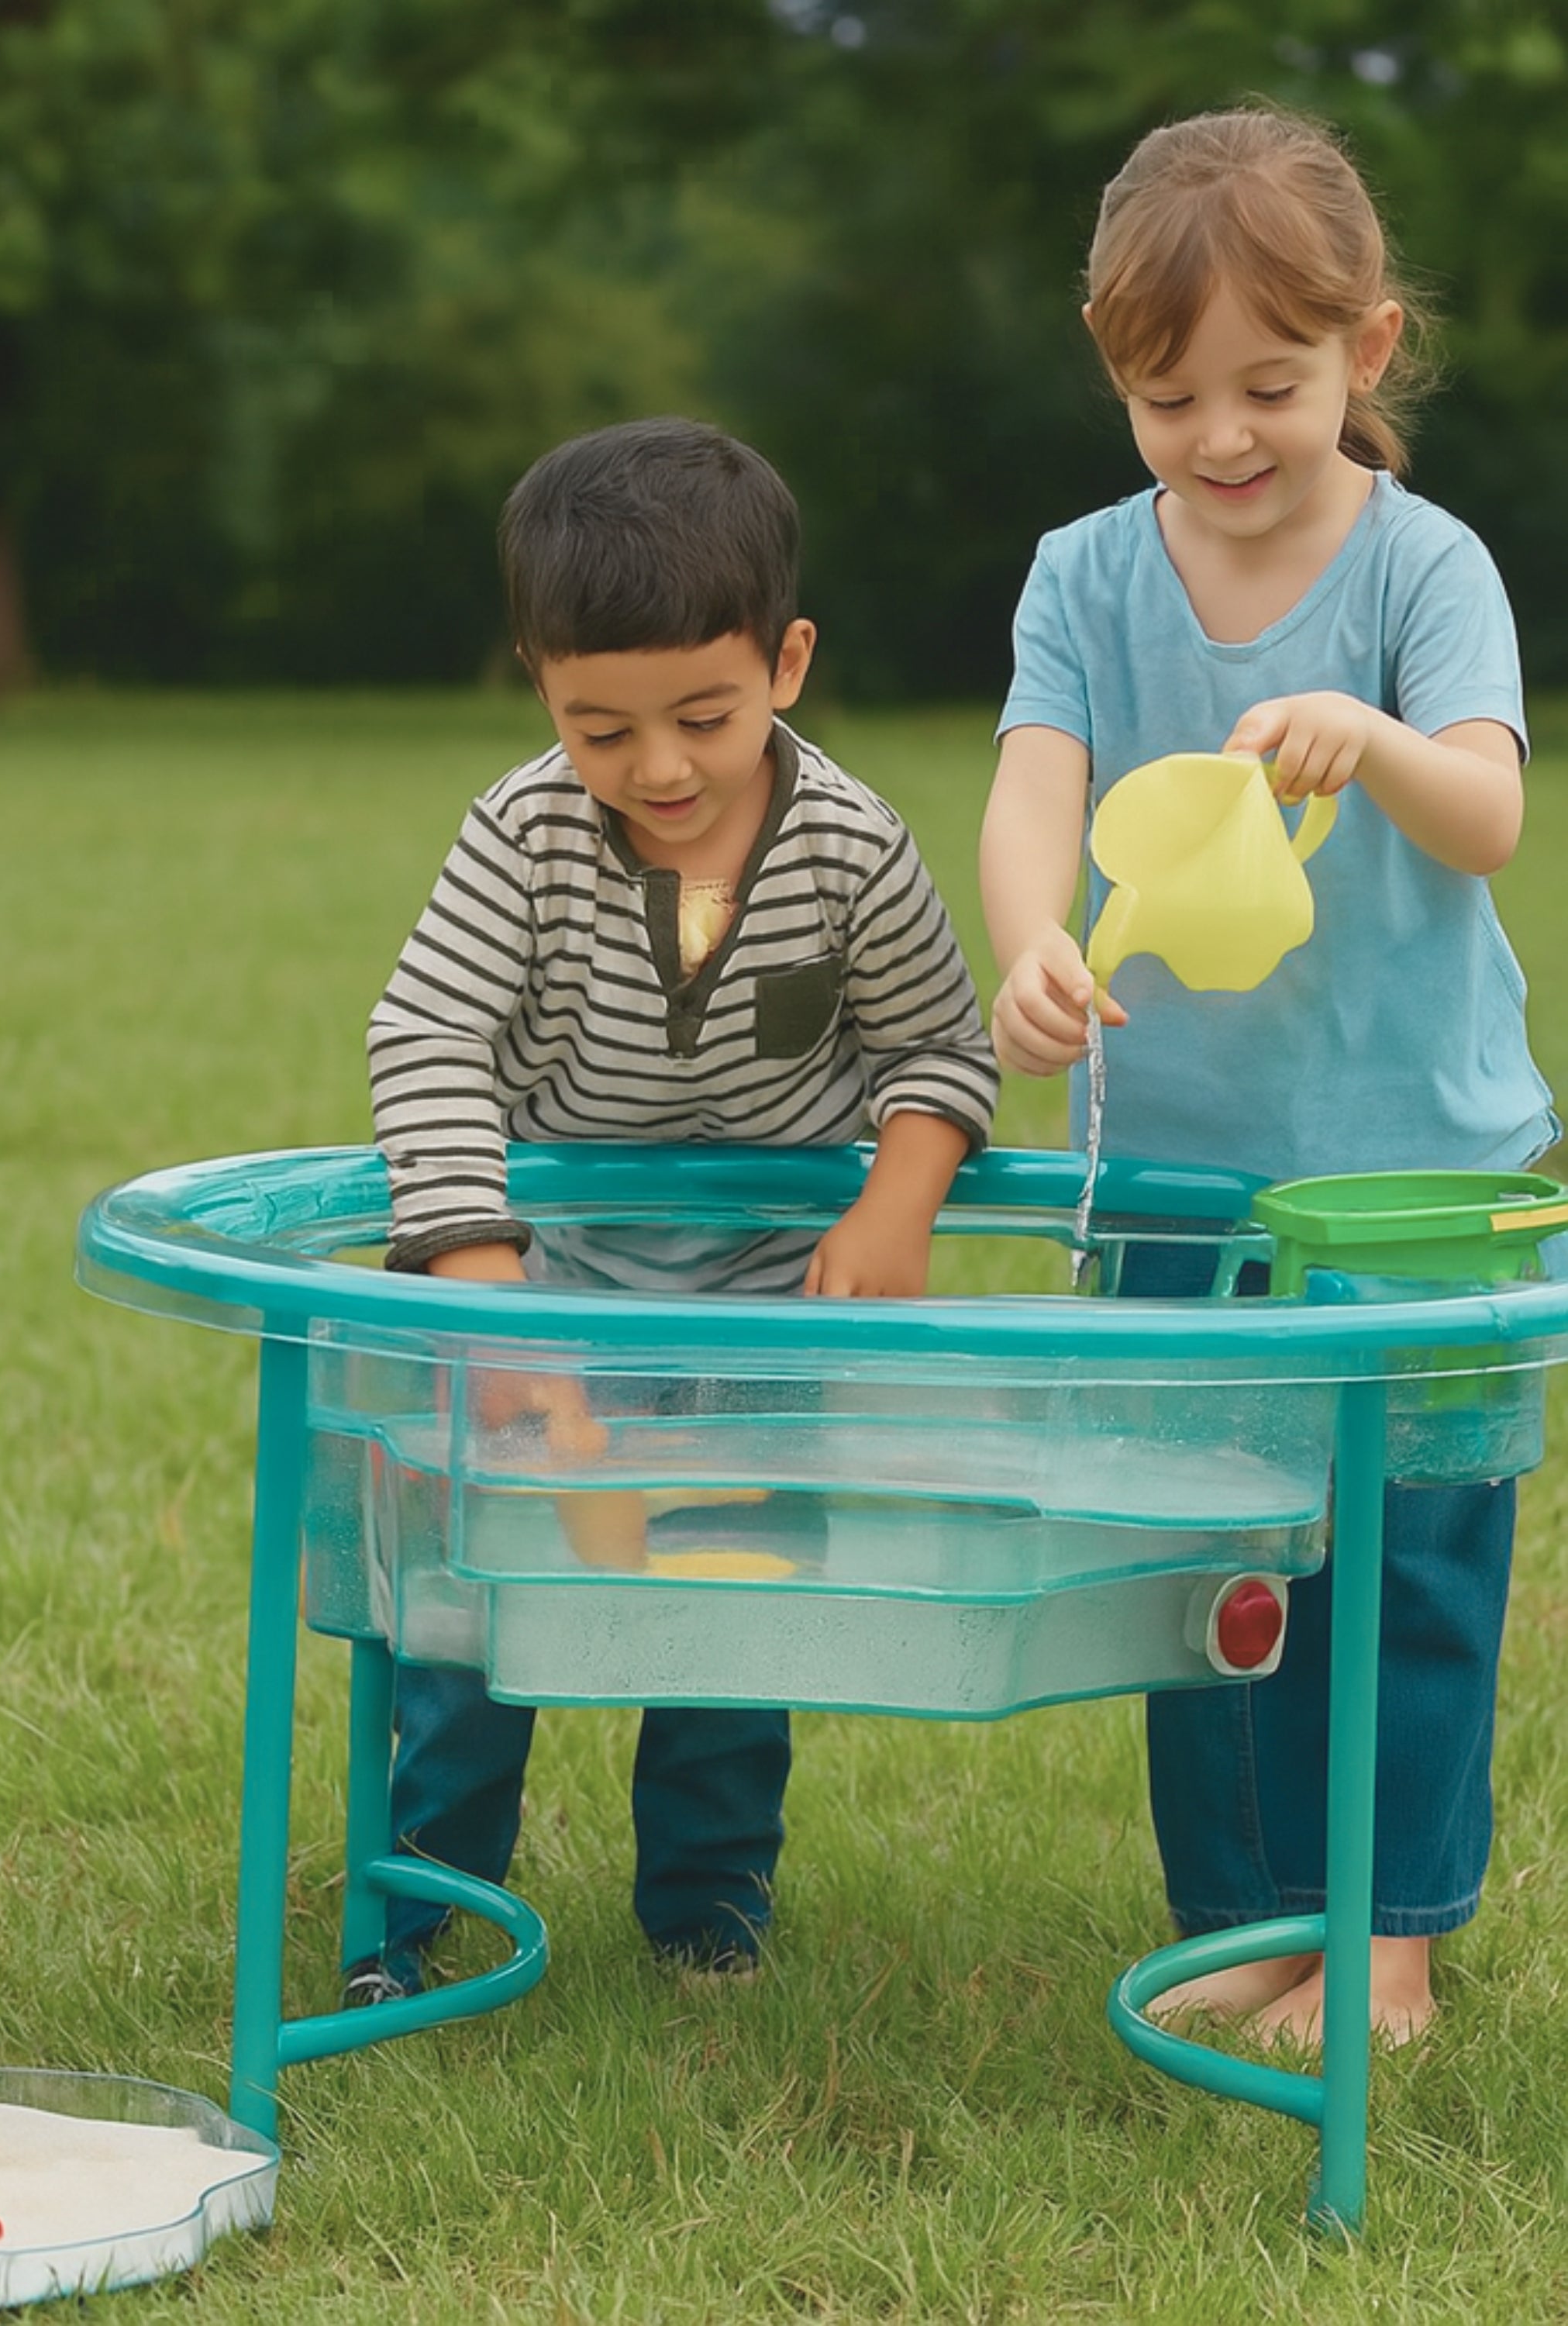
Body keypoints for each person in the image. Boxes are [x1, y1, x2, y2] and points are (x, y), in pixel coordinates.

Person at [979, 106, 1556, 2045]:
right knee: (1210, 1566)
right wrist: (1033, 936)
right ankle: (1241, 1913)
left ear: (1366, 352)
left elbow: (1488, 812)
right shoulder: (1082, 573)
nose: (1220, 437)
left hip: (1411, 1180)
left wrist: (1364, 734)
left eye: (1269, 387)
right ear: (1110, 371)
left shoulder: (1422, 564)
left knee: (1404, 1563)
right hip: (1183, 1178)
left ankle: (1384, 1931)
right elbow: (1034, 782)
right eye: (1166, 396)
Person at [357, 416, 1001, 2000]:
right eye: (599, 728)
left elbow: (938, 1043)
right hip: (549, 1294)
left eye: (701, 717)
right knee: (473, 1622)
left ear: (784, 664)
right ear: (540, 688)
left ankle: (709, 1919)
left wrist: (899, 1197)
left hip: (768, 1314)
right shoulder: (523, 833)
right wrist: (489, 1295)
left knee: (729, 1620)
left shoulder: (848, 845)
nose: (654, 769)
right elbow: (425, 1034)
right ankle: (417, 1918)